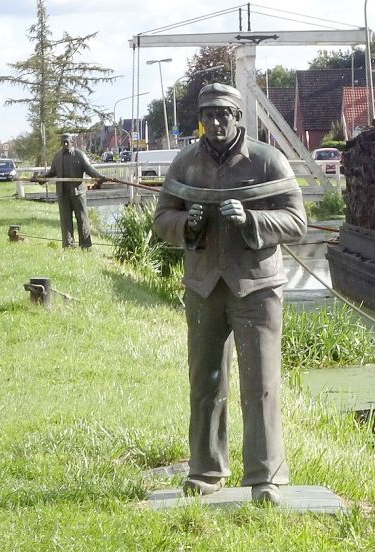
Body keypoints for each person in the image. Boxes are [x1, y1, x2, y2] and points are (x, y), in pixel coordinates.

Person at [153, 83, 306, 505]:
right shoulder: (185, 163)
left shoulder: (268, 160)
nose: (217, 122)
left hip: (256, 287)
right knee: (205, 381)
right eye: (209, 114)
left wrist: (252, 219)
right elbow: (162, 217)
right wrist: (188, 224)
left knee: (261, 383)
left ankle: (265, 476)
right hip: (204, 286)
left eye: (225, 114)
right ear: (200, 118)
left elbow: (296, 221)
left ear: (239, 117)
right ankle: (205, 469)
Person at [38, 134, 108, 249]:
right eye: (63, 142)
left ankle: (85, 245)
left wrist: (100, 177)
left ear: (72, 142)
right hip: (63, 193)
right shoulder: (57, 157)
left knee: (82, 219)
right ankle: (68, 245)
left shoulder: (80, 155)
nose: (65, 144)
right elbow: (52, 172)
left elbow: (89, 169)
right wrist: (41, 178)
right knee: (65, 221)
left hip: (78, 193)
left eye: (67, 142)